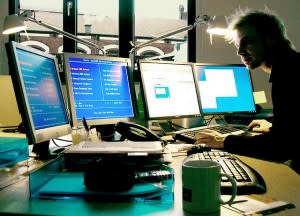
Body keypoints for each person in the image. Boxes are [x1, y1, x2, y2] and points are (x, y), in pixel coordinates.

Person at [194, 8, 300, 174]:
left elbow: (280, 147)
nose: (240, 51)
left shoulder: (288, 74)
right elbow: (293, 122)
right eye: (238, 44)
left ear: (270, 39)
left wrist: (224, 141)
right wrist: (273, 123)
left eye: (247, 42)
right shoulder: (291, 64)